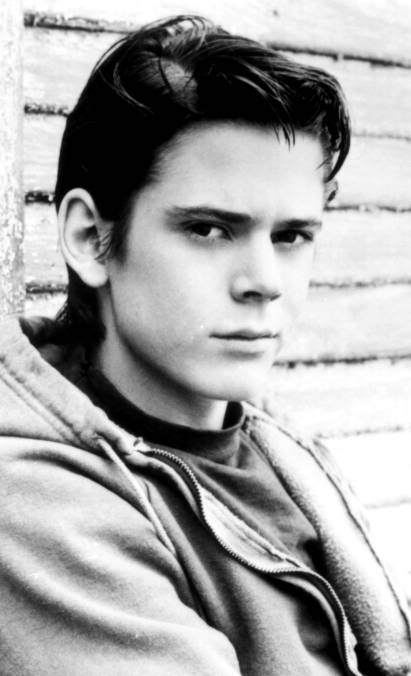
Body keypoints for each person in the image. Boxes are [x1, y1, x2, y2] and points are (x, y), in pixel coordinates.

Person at [0, 14, 409, 676]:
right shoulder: (33, 505)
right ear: (89, 238)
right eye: (209, 230)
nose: (264, 282)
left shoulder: (283, 450)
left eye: (291, 236)